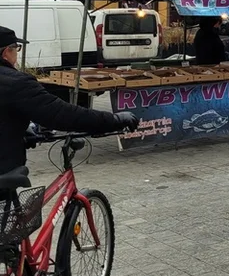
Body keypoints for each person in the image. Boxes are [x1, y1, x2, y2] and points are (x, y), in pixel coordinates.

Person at [0, 26, 138, 176]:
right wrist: (114, 119)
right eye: (16, 49)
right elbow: (61, 114)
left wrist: (17, 129)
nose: (17, 54)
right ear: (7, 51)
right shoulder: (16, 83)